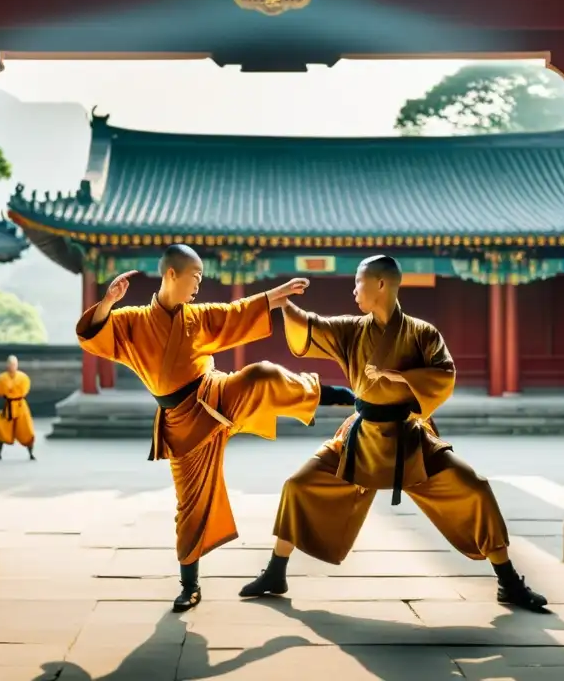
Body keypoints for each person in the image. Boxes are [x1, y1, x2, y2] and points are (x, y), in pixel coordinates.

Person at [238, 255, 548, 611]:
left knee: (474, 488)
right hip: (360, 436)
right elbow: (311, 327)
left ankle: (508, 581)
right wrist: (285, 305)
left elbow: (444, 375)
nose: (354, 290)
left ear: (380, 284)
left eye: (359, 282)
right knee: (299, 484)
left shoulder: (422, 333)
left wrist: (402, 378)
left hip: (410, 438)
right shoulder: (352, 329)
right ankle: (276, 571)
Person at [76, 245, 355, 613]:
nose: (199, 285)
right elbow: (93, 334)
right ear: (172, 274)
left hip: (216, 394)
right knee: (190, 506)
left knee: (262, 375)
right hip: (181, 422)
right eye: (195, 276)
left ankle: (334, 394)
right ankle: (189, 585)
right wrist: (107, 302)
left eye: (202, 278)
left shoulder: (199, 316)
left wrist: (274, 296)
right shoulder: (133, 322)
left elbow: (234, 313)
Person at [0, 354, 36, 461]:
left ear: (17, 365)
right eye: (10, 364)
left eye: (14, 364)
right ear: (7, 365)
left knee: (27, 430)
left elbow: (25, 390)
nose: (12, 366)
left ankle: (31, 453)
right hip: (8, 406)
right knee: (0, 427)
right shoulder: (2, 378)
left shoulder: (23, 377)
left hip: (20, 405)